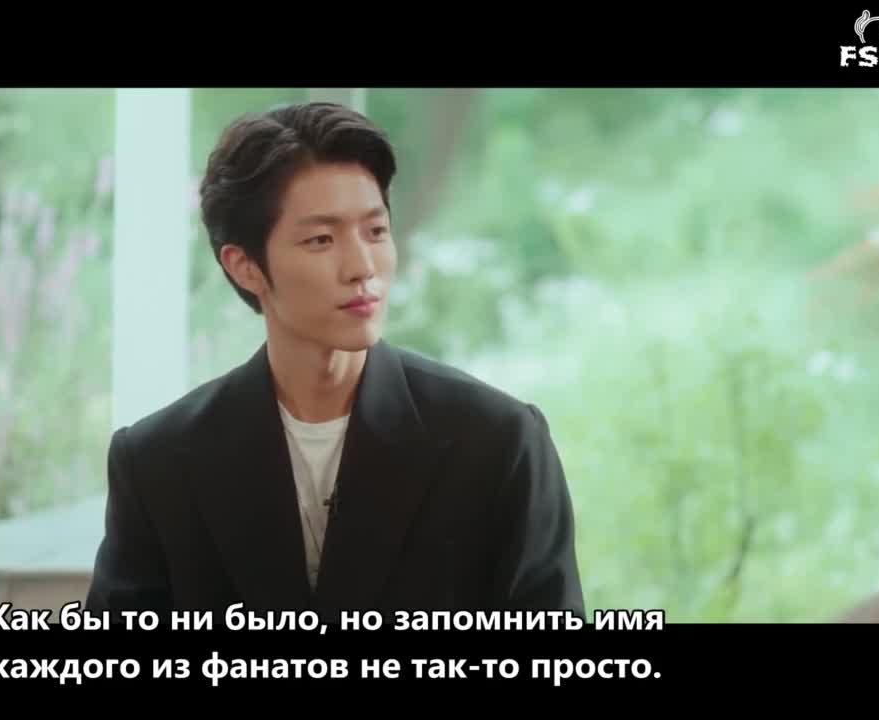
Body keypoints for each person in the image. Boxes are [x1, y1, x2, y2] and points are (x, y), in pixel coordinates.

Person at [85, 101, 584, 624]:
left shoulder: (498, 441)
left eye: (375, 231)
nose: (362, 267)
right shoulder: (159, 463)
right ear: (244, 265)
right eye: (321, 240)